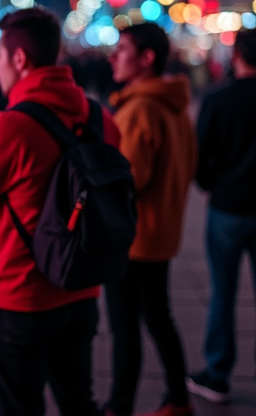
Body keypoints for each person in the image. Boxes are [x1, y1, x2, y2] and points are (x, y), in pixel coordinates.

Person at [0, 7, 120, 416]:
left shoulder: (11, 126)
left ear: (19, 59)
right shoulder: (101, 119)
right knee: (78, 402)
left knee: (18, 408)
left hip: (19, 295)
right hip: (81, 284)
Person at [104, 23, 197, 416]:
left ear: (146, 58)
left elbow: (127, 180)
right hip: (161, 231)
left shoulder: (139, 108)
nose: (114, 56)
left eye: (122, 49)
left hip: (134, 237)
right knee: (158, 315)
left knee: (126, 326)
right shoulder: (174, 104)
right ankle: (178, 395)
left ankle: (120, 404)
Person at [189, 29, 256, 414]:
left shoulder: (218, 99)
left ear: (236, 54)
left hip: (228, 207)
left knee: (223, 292)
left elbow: (200, 155)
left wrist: (212, 184)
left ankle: (218, 373)